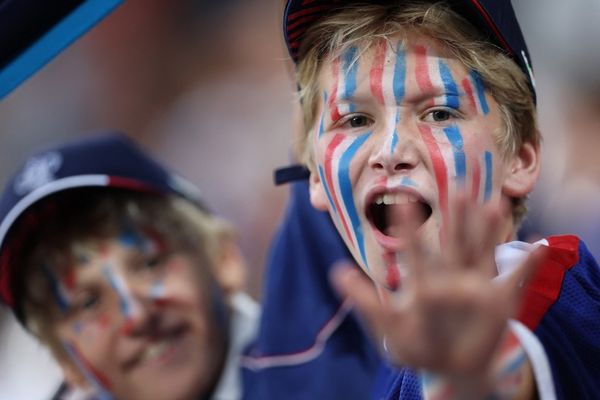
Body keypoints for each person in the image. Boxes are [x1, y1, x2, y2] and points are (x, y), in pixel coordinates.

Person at [276, 0, 600, 398]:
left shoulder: (555, 292)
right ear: (314, 178)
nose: (391, 151)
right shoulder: (385, 362)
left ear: (521, 158)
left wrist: (468, 374)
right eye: (355, 119)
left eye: (440, 113)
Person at [0, 132, 259, 400]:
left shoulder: (303, 371)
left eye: (150, 264)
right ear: (64, 361)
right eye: (88, 303)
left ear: (224, 257)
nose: (135, 315)